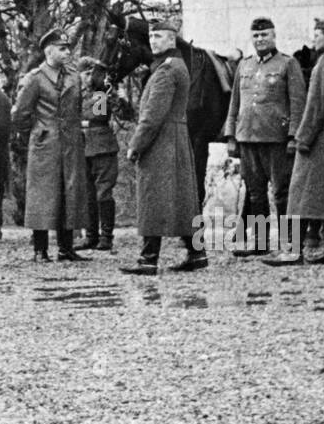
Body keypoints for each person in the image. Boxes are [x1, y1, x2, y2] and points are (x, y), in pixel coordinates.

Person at [266, 19, 324, 266]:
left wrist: (303, 137)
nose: (314, 39)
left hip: (323, 131)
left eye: (317, 35)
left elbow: (317, 102)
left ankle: (293, 250)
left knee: (300, 191)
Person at [121, 17, 204, 275]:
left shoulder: (166, 70)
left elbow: (153, 114)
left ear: (171, 39)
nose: (153, 42)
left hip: (161, 141)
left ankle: (148, 259)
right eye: (151, 37)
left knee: (152, 198)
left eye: (158, 37)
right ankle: (197, 253)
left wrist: (135, 144)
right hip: (175, 138)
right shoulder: (174, 65)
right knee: (184, 201)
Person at [224, 17, 307, 256]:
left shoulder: (287, 64)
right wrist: (231, 135)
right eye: (256, 36)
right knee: (255, 194)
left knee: (282, 193)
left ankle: (291, 243)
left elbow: (298, 103)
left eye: (265, 36)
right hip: (248, 138)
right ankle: (260, 243)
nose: (260, 40)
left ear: (274, 37)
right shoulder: (244, 65)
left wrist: (293, 136)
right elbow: (235, 103)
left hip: (277, 139)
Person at [12, 28, 88, 262]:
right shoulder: (35, 78)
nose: (67, 53)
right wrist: (36, 134)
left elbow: (77, 108)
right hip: (46, 142)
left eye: (68, 49)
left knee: (70, 192)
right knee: (43, 195)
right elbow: (19, 115)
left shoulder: (73, 76)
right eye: (62, 49)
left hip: (70, 141)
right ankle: (40, 249)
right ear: (48, 51)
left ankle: (66, 248)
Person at [75, 57, 119, 252]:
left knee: (103, 193)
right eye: (85, 74)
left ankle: (106, 237)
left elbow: (98, 115)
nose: (88, 78)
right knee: (88, 194)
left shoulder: (101, 92)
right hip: (83, 147)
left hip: (102, 146)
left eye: (91, 74)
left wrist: (100, 87)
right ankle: (91, 236)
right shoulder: (76, 93)